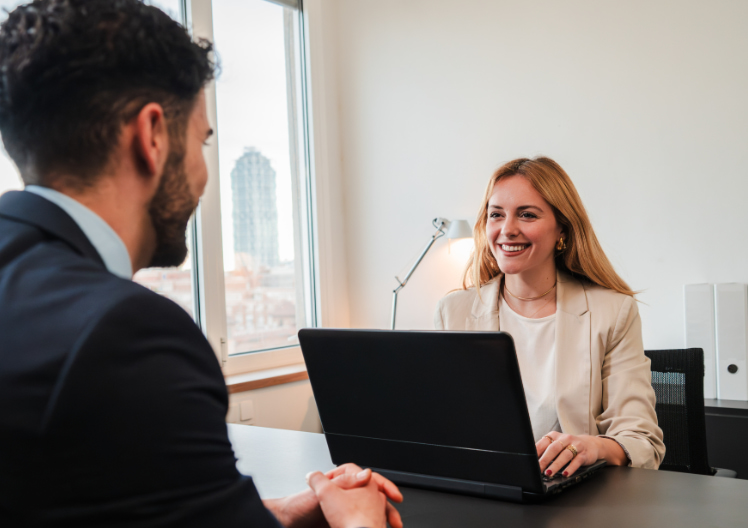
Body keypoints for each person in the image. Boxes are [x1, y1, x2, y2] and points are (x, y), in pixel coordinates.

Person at [0, 1, 402, 527]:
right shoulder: (126, 336)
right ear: (153, 136)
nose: (201, 172)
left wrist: (274, 513)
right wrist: (357, 521)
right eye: (202, 140)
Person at [434, 157, 665, 479]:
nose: (507, 229)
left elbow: (641, 440)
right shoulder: (454, 312)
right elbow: (442, 425)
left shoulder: (612, 311)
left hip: (571, 491)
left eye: (527, 215)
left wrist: (592, 447)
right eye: (496, 215)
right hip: (483, 485)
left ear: (562, 229)